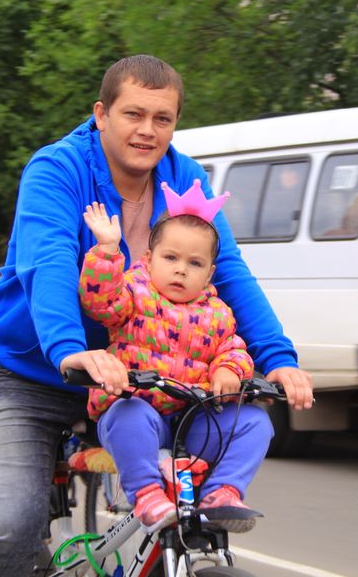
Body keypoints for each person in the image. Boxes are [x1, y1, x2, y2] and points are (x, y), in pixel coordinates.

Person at [0, 54, 313, 576]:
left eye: (162, 118)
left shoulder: (183, 178)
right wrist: (69, 349)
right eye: (133, 114)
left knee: (193, 495)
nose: (148, 130)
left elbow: (228, 272)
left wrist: (279, 359)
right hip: (26, 373)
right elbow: (49, 261)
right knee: (12, 523)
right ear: (102, 114)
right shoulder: (57, 169)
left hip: (138, 382)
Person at [81, 184, 269, 534]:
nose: (181, 270)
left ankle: (223, 493)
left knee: (255, 422)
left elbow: (234, 348)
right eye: (170, 258)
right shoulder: (133, 292)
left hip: (193, 421)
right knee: (128, 414)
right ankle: (147, 494)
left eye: (194, 263)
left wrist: (229, 369)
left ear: (209, 273)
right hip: (139, 413)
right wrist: (107, 250)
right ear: (149, 258)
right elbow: (100, 302)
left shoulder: (218, 313)